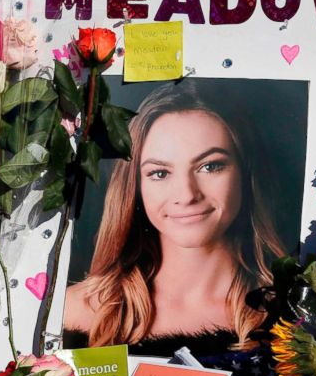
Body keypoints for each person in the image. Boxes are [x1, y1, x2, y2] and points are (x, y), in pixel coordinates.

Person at [63, 80, 286, 354]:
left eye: (210, 166)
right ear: (135, 187)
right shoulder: (73, 312)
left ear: (245, 174)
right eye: (160, 173)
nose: (187, 194)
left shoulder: (291, 317)